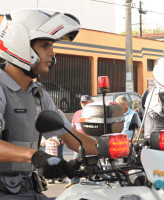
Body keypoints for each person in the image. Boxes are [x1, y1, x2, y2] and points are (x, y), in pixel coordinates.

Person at [0, 8, 98, 199]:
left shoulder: (38, 94)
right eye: (45, 45)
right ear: (20, 45)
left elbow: (72, 139)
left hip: (29, 191)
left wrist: (117, 149)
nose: (52, 53)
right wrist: (37, 156)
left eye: (52, 46)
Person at [65, 95, 93, 188]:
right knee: (76, 161)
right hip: (78, 142)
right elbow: (73, 128)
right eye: (82, 102)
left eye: (86, 102)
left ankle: (90, 180)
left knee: (91, 161)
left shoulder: (94, 112)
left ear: (90, 102)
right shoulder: (77, 113)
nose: (84, 104)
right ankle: (73, 180)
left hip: (90, 141)